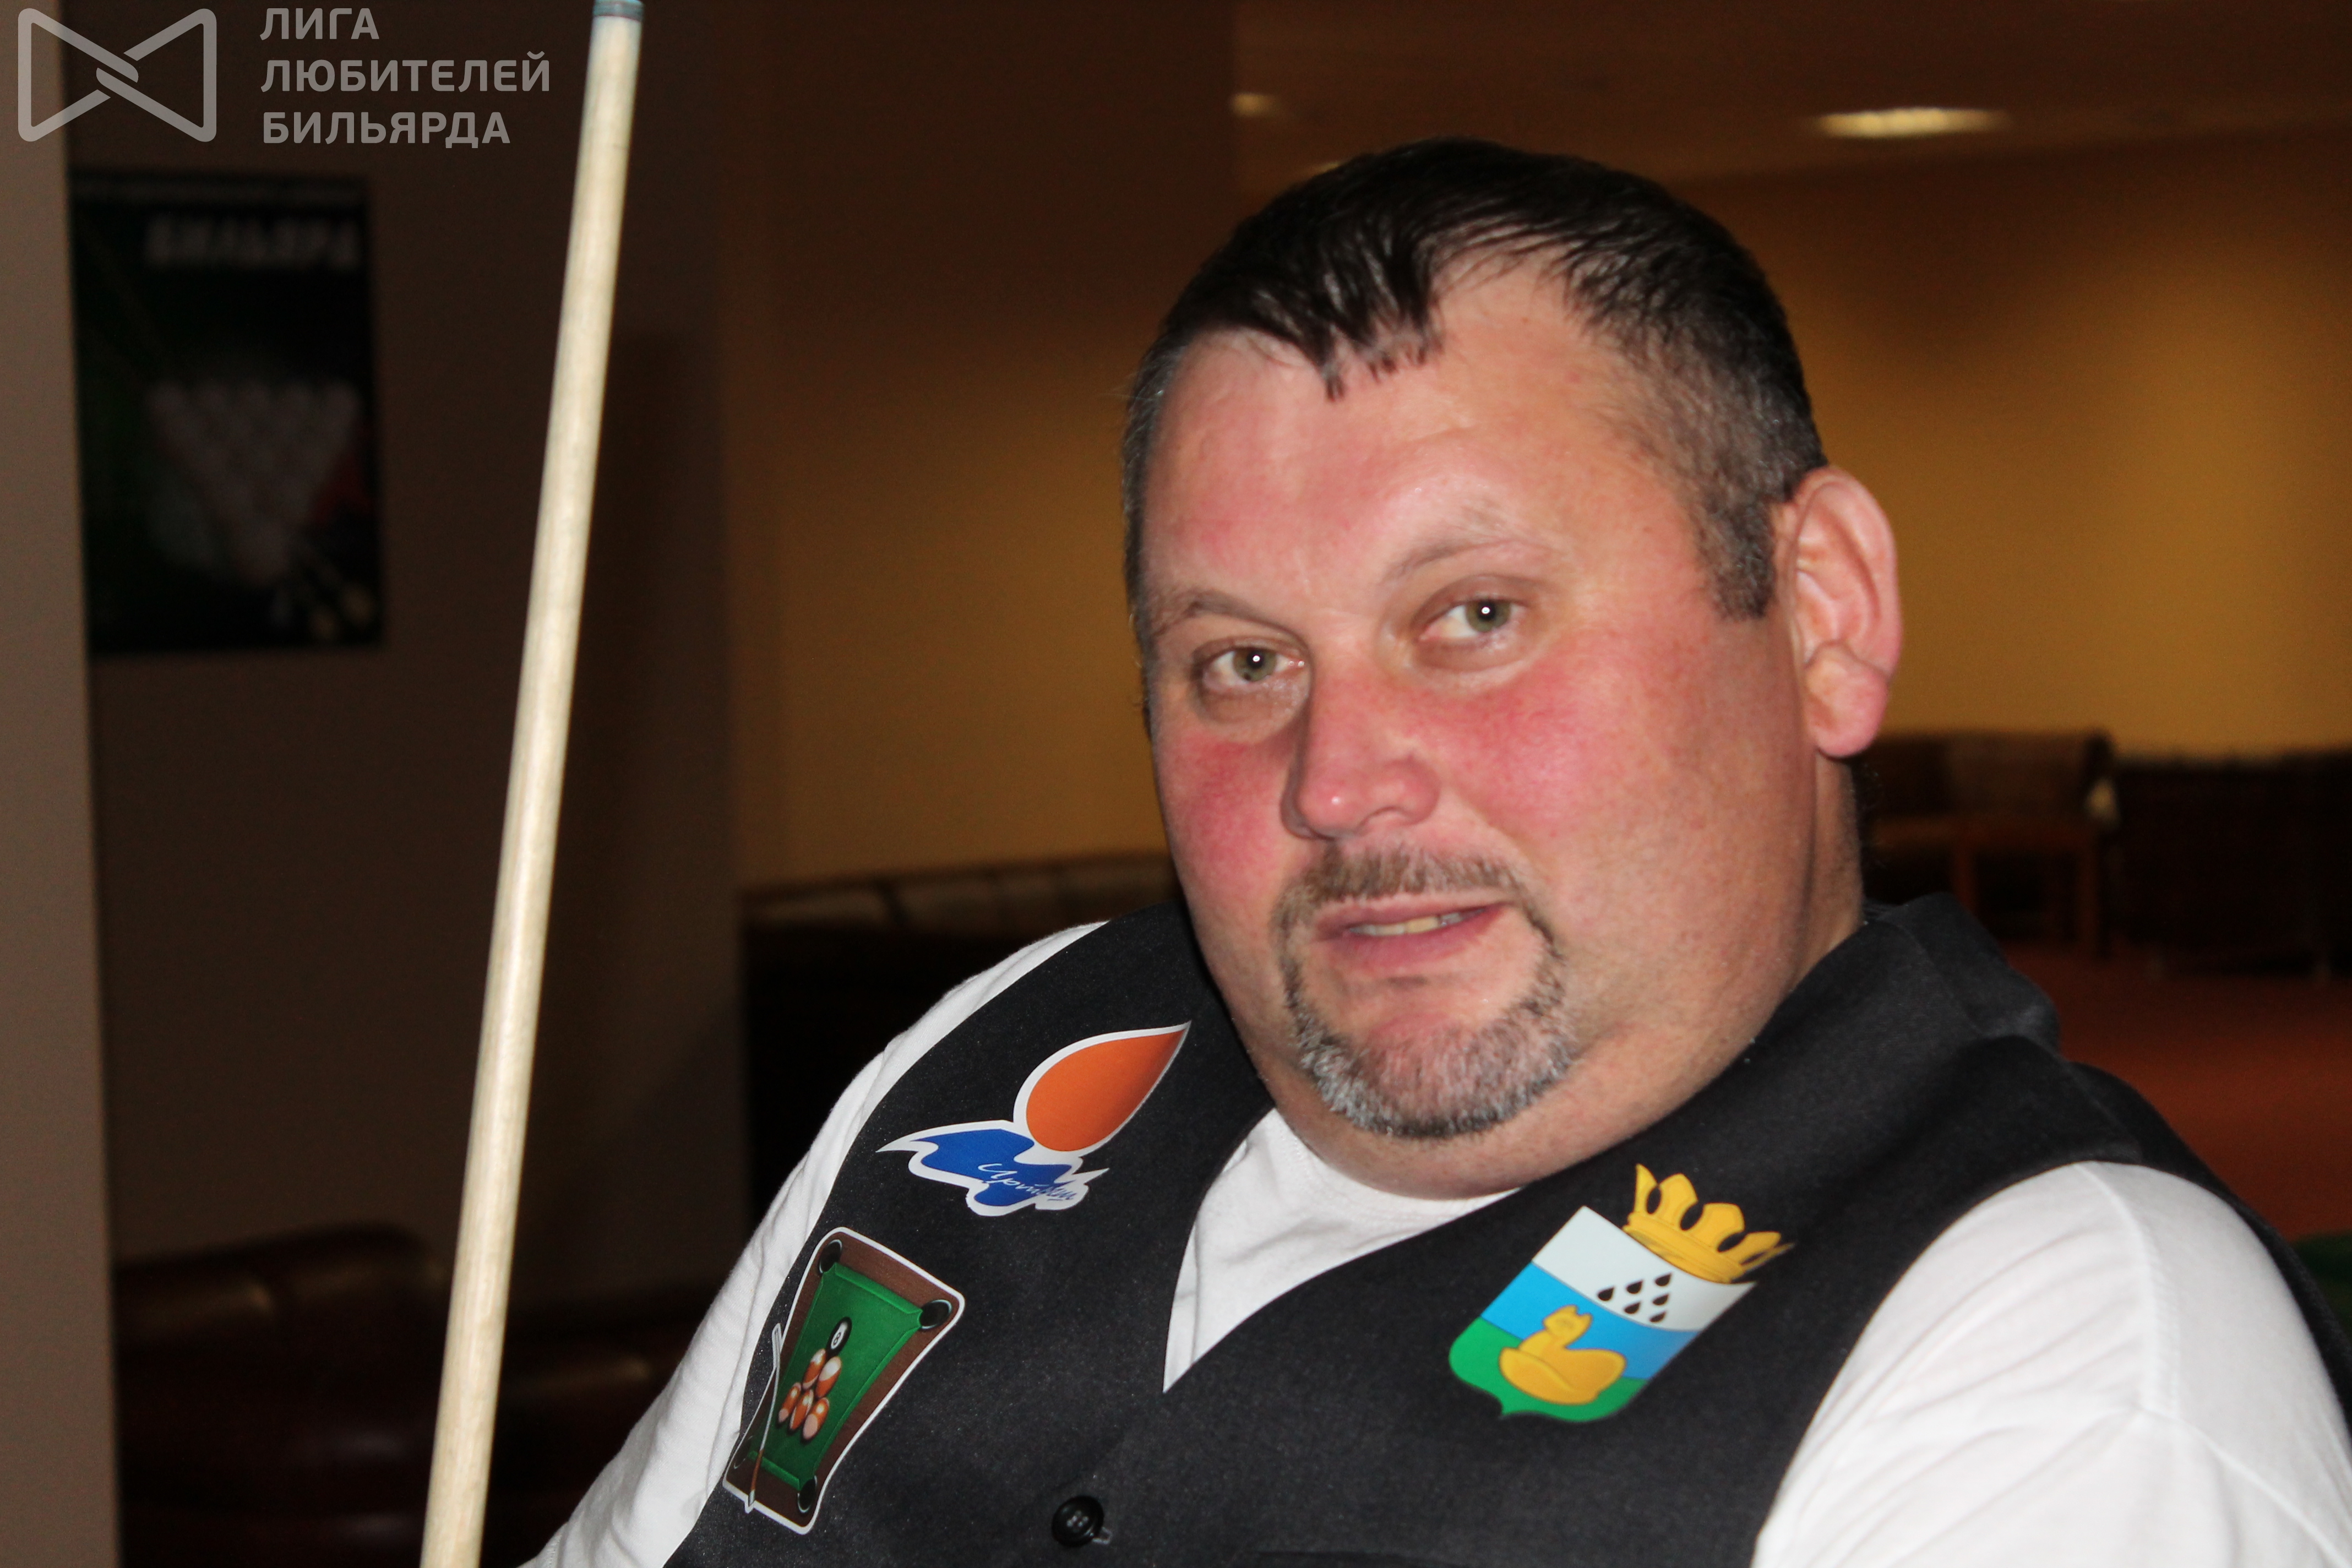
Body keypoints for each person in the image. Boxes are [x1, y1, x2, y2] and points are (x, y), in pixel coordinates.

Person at [537, 139, 2352, 1567]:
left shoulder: (2067, 1353)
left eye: (1475, 615)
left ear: (1821, 612)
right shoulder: (1006, 1053)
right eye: (1241, 664)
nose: (1338, 784)